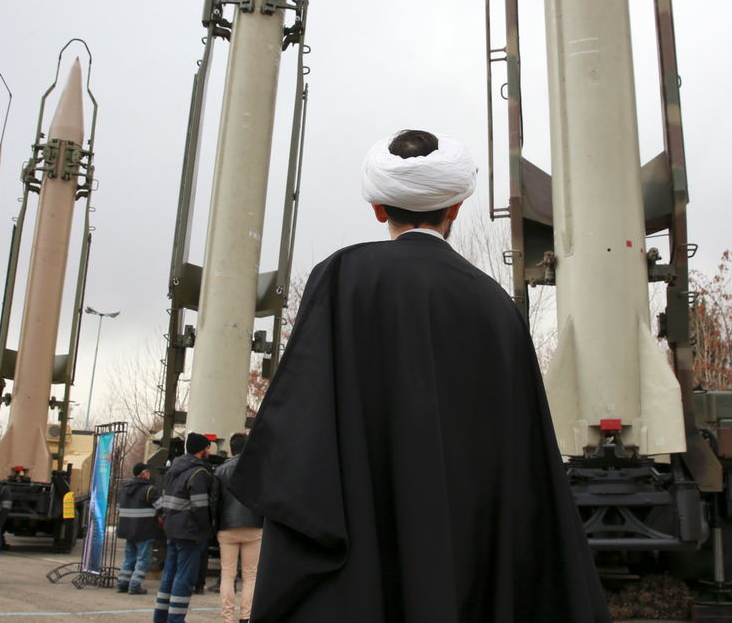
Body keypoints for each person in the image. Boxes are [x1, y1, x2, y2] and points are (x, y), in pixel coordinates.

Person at [229, 130, 612, 622]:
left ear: (379, 209)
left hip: (364, 551)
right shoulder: (497, 306)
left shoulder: (343, 278)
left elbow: (304, 426)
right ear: (455, 208)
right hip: (470, 557)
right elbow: (525, 464)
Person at [154, 433, 218, 623]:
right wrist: (207, 529)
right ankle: (176, 619)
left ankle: (161, 618)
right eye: (207, 447)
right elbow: (200, 506)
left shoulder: (175, 469)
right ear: (201, 450)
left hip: (172, 529)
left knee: (169, 577)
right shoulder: (198, 473)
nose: (209, 451)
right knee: (184, 578)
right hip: (189, 532)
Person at [215, 433, 263, 623]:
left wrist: (215, 526)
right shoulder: (258, 469)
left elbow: (214, 502)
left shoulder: (220, 471)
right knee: (250, 576)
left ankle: (228, 618)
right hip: (253, 526)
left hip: (227, 527)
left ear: (232, 449)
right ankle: (246, 616)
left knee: (227, 575)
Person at [117, 462, 162, 595]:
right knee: (144, 559)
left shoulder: (124, 488)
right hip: (144, 529)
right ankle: (135, 585)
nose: (149, 474)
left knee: (129, 557)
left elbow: (120, 508)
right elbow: (161, 507)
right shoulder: (149, 489)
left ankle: (122, 583)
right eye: (147, 471)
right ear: (142, 474)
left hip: (127, 529)